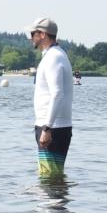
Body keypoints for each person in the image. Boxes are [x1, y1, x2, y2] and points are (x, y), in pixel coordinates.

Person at [27, 17, 73, 178]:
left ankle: (52, 203)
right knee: (52, 180)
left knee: (49, 179)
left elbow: (57, 93)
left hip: (52, 128)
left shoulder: (53, 57)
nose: (30, 37)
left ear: (43, 35)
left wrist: (47, 128)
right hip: (54, 126)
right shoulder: (54, 55)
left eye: (33, 33)